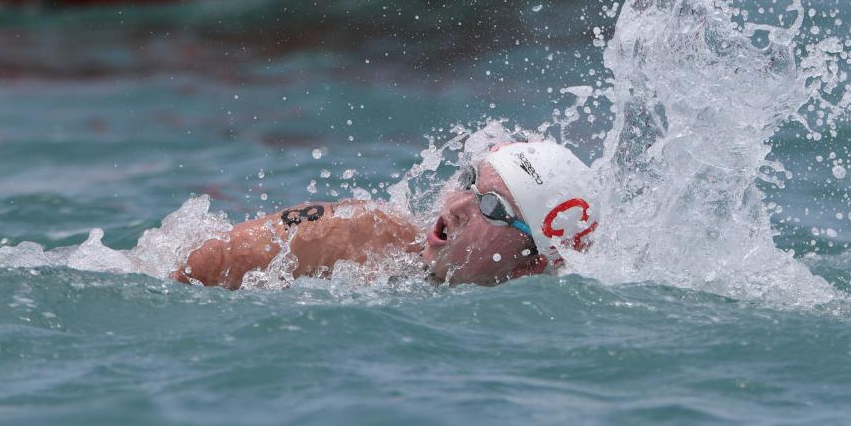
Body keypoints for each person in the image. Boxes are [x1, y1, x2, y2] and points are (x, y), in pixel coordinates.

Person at [174, 140, 600, 288]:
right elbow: (196, 266)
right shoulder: (360, 235)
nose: (456, 207)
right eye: (468, 180)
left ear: (529, 266)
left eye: (491, 207)